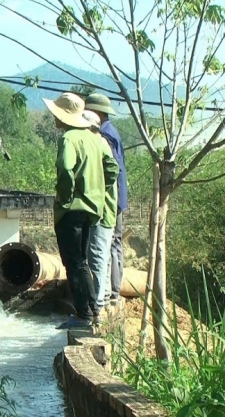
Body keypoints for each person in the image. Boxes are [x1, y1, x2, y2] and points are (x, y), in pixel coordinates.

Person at [44, 93, 119, 329]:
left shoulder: (69, 138)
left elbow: (66, 169)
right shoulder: (97, 138)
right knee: (82, 262)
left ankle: (83, 315)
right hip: (92, 210)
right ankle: (93, 310)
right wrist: (97, 190)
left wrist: (65, 199)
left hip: (72, 210)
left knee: (73, 263)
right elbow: (112, 169)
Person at [85, 93, 127, 304]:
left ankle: (110, 292)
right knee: (114, 243)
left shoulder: (104, 136)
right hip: (118, 197)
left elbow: (110, 169)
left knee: (106, 244)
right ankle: (114, 290)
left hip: (110, 199)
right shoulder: (112, 132)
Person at [82, 110, 118, 315]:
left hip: (101, 211)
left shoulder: (98, 144)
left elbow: (112, 171)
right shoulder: (102, 142)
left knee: (96, 256)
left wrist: (97, 188)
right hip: (105, 209)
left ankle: (96, 303)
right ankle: (101, 298)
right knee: (101, 255)